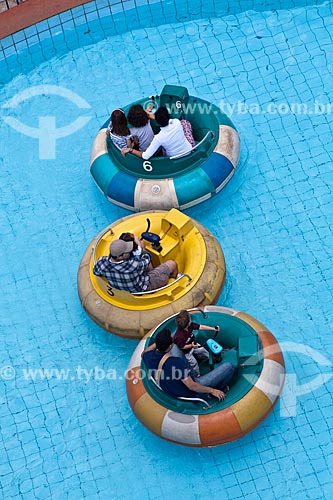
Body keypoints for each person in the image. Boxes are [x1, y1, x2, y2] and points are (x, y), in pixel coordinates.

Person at [142, 328, 234, 401]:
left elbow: (143, 353)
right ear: (169, 345)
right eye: (172, 340)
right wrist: (212, 390)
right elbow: (192, 386)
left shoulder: (148, 356)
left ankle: (194, 373)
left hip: (169, 382)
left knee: (176, 350)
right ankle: (218, 388)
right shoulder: (175, 362)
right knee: (229, 366)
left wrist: (160, 342)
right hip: (190, 390)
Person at [93, 239, 178, 293]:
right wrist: (142, 248)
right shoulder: (133, 265)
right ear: (119, 256)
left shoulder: (101, 262)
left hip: (124, 290)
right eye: (127, 252)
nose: (129, 251)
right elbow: (147, 258)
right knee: (172, 264)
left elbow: (96, 272)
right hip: (143, 287)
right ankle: (174, 280)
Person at [121, 106, 194, 159]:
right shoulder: (177, 122)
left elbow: (145, 156)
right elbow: (164, 119)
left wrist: (131, 150)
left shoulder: (159, 138)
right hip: (188, 150)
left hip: (173, 157)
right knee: (184, 122)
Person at [174, 310, 220, 377]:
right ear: (188, 323)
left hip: (193, 345)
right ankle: (197, 374)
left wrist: (213, 329)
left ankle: (210, 359)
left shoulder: (190, 325)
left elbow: (200, 327)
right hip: (186, 352)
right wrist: (191, 345)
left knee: (202, 350)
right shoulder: (179, 336)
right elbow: (182, 346)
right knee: (194, 363)